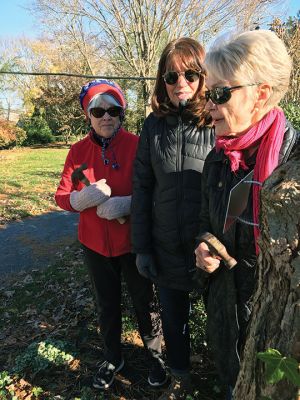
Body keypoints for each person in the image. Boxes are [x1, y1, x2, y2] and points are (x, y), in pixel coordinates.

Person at [194, 29, 299, 399]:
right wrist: (205, 246)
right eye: (208, 94)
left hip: (278, 330)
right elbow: (206, 224)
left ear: (262, 94)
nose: (208, 105)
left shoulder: (294, 163)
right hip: (226, 312)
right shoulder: (217, 158)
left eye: (220, 93)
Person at [55, 79, 166, 391]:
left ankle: (156, 357)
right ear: (87, 115)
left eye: (113, 110)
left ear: (121, 113)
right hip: (94, 245)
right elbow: (61, 195)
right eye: (98, 110)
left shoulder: (138, 144)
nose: (106, 116)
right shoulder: (77, 152)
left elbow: (158, 192)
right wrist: (78, 200)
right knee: (106, 304)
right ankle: (112, 357)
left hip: (133, 243)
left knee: (145, 302)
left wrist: (129, 204)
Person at [131, 38, 215, 399]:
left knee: (222, 324)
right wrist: (142, 248)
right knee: (174, 322)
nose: (181, 82)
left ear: (204, 77)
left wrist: (216, 242)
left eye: (191, 73)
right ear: (161, 81)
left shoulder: (217, 120)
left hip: (210, 250)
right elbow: (142, 188)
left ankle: (228, 380)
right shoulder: (153, 126)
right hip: (165, 247)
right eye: (171, 75)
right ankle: (181, 378)